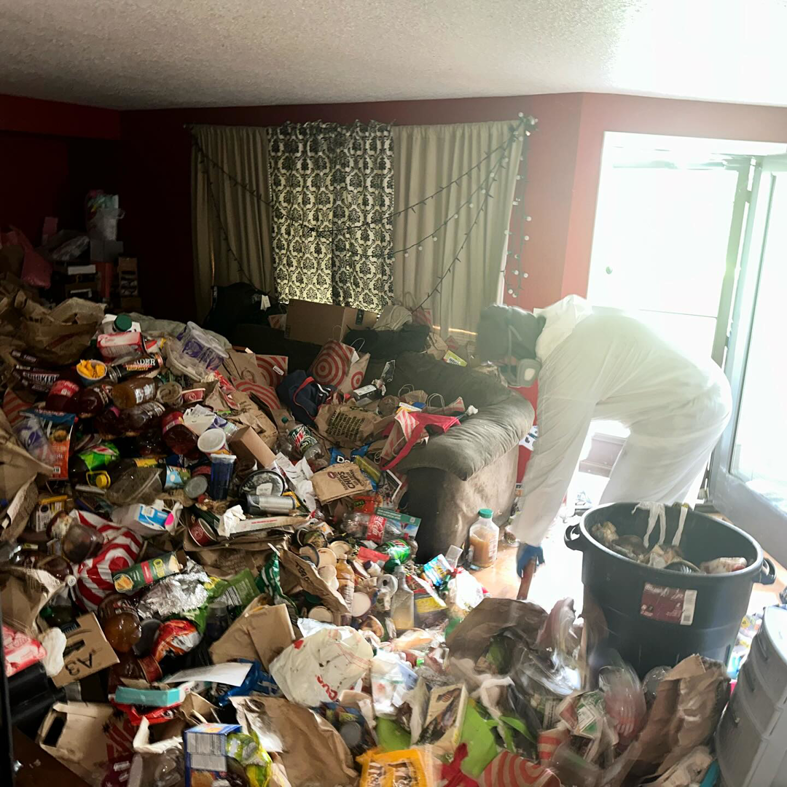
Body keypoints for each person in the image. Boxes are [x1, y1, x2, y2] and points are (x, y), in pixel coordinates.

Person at [476, 295, 732, 595]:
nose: (508, 371)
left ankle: (619, 610)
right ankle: (640, 598)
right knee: (639, 518)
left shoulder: (566, 362)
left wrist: (530, 536)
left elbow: (552, 461)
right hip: (692, 395)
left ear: (516, 346)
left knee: (624, 522)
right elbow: (572, 435)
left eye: (505, 362)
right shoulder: (569, 324)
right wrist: (534, 528)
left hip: (690, 408)